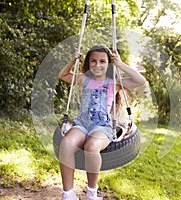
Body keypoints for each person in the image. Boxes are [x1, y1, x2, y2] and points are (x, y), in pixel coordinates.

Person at [58, 44, 146, 200]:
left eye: (102, 61)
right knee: (66, 144)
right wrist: (73, 61)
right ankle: (68, 194)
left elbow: (140, 80)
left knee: (91, 147)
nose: (97, 65)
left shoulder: (114, 83)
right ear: (88, 63)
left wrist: (120, 64)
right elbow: (63, 75)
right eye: (93, 61)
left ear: (108, 64)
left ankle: (91, 192)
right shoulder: (84, 79)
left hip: (102, 126)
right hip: (82, 124)